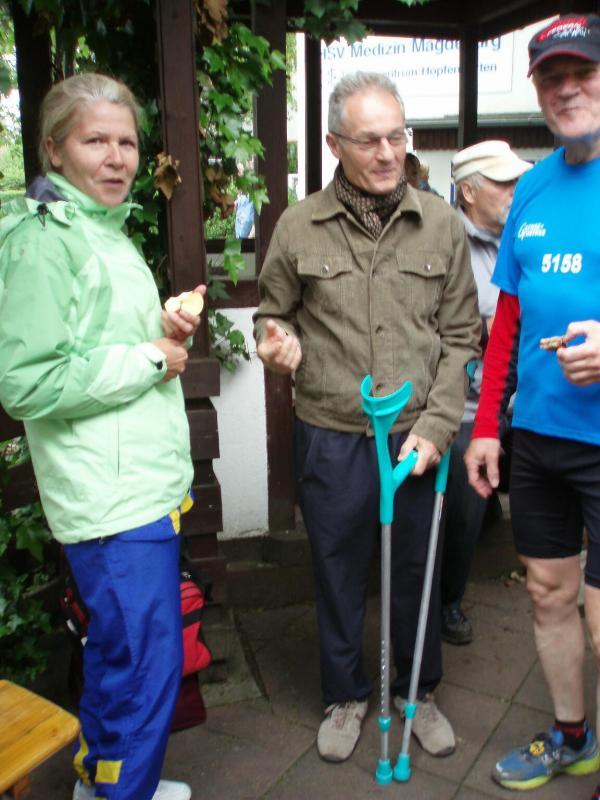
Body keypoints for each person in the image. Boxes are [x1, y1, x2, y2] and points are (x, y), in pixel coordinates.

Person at [253, 71, 480, 763]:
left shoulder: (440, 222)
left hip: (417, 434)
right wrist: (273, 341)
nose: (387, 153)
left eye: (397, 136)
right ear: (333, 144)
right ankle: (346, 696)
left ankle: (418, 692)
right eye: (369, 140)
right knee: (337, 570)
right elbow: (273, 313)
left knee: (416, 567)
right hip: (332, 431)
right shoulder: (298, 225)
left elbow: (462, 336)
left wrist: (438, 427)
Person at [0, 74, 203, 800]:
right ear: (54, 149)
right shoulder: (42, 241)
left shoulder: (98, 228)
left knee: (125, 656)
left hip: (136, 487)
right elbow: (26, 382)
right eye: (96, 141)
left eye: (127, 142)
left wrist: (163, 328)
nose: (117, 158)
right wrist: (151, 358)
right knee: (145, 666)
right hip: (110, 501)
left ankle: (102, 780)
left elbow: (94, 342)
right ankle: (122, 793)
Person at [464, 15, 600, 796]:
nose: (568, 88)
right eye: (553, 76)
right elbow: (507, 323)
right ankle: (572, 736)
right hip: (540, 437)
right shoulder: (534, 189)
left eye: (583, 72)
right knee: (549, 593)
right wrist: (488, 427)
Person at [440, 140, 531, 645]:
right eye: (504, 182)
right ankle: (447, 602)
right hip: (465, 404)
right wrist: (482, 328)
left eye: (518, 181)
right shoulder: (445, 242)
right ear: (469, 191)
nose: (515, 191)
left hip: (518, 397)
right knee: (464, 490)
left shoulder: (522, 238)